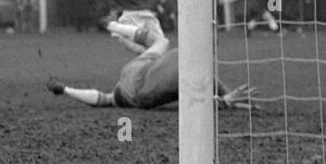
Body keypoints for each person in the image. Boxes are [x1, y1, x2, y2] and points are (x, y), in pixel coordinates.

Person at [46, 28, 255, 110]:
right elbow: (198, 102)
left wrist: (227, 96)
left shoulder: (186, 57)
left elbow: (210, 84)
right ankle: (118, 29)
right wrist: (227, 101)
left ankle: (116, 27)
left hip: (137, 69)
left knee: (160, 41)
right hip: (137, 93)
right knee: (110, 100)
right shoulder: (195, 73)